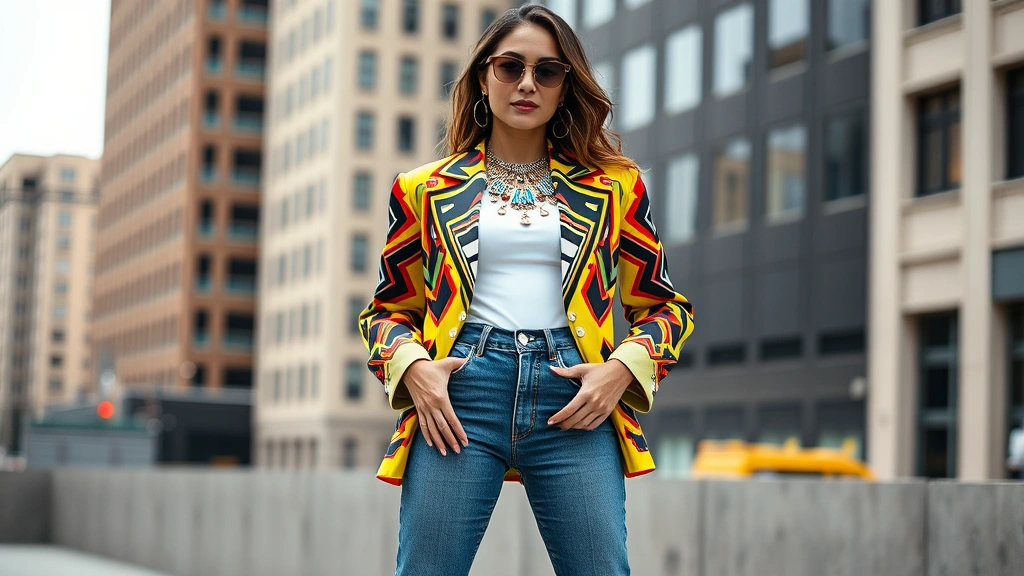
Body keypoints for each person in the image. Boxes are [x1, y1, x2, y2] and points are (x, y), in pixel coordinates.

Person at [358, 5, 694, 575]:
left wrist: (621, 371)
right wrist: (413, 366)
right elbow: (385, 311)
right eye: (510, 67)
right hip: (460, 397)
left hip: (575, 398)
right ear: (483, 78)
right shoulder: (423, 189)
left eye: (548, 71)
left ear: (567, 88)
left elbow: (665, 307)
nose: (527, 84)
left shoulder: (616, 186)